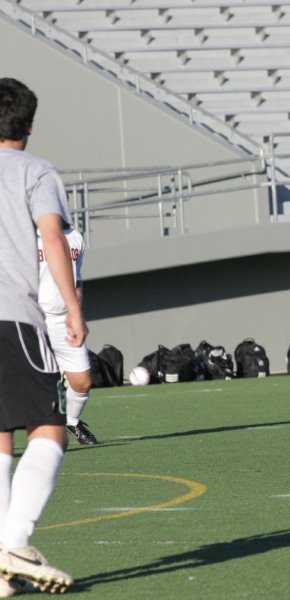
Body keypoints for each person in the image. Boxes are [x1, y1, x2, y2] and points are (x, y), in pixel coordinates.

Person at [0, 77, 84, 594]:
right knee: (49, 429)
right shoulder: (36, 170)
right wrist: (72, 307)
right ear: (29, 125)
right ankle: (15, 542)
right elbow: (52, 236)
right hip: (13, 315)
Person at [38, 227, 99, 445]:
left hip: (66, 321)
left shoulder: (76, 237)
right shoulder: (29, 235)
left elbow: (77, 279)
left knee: (82, 382)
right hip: (36, 319)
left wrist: (77, 311)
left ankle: (72, 421)